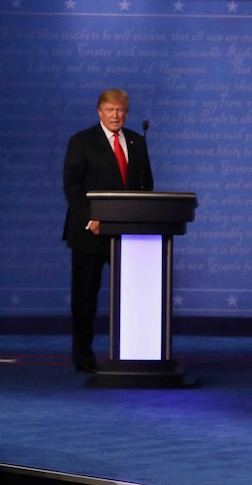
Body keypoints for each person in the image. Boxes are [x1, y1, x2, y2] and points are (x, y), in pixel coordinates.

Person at [62, 89, 154, 373]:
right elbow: (73, 188)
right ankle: (83, 355)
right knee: (85, 299)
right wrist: (92, 219)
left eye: (120, 111)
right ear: (99, 111)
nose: (115, 116)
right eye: (110, 110)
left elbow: (146, 186)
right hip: (90, 233)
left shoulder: (138, 142)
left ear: (127, 112)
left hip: (127, 235)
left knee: (133, 296)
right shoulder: (82, 141)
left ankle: (134, 352)